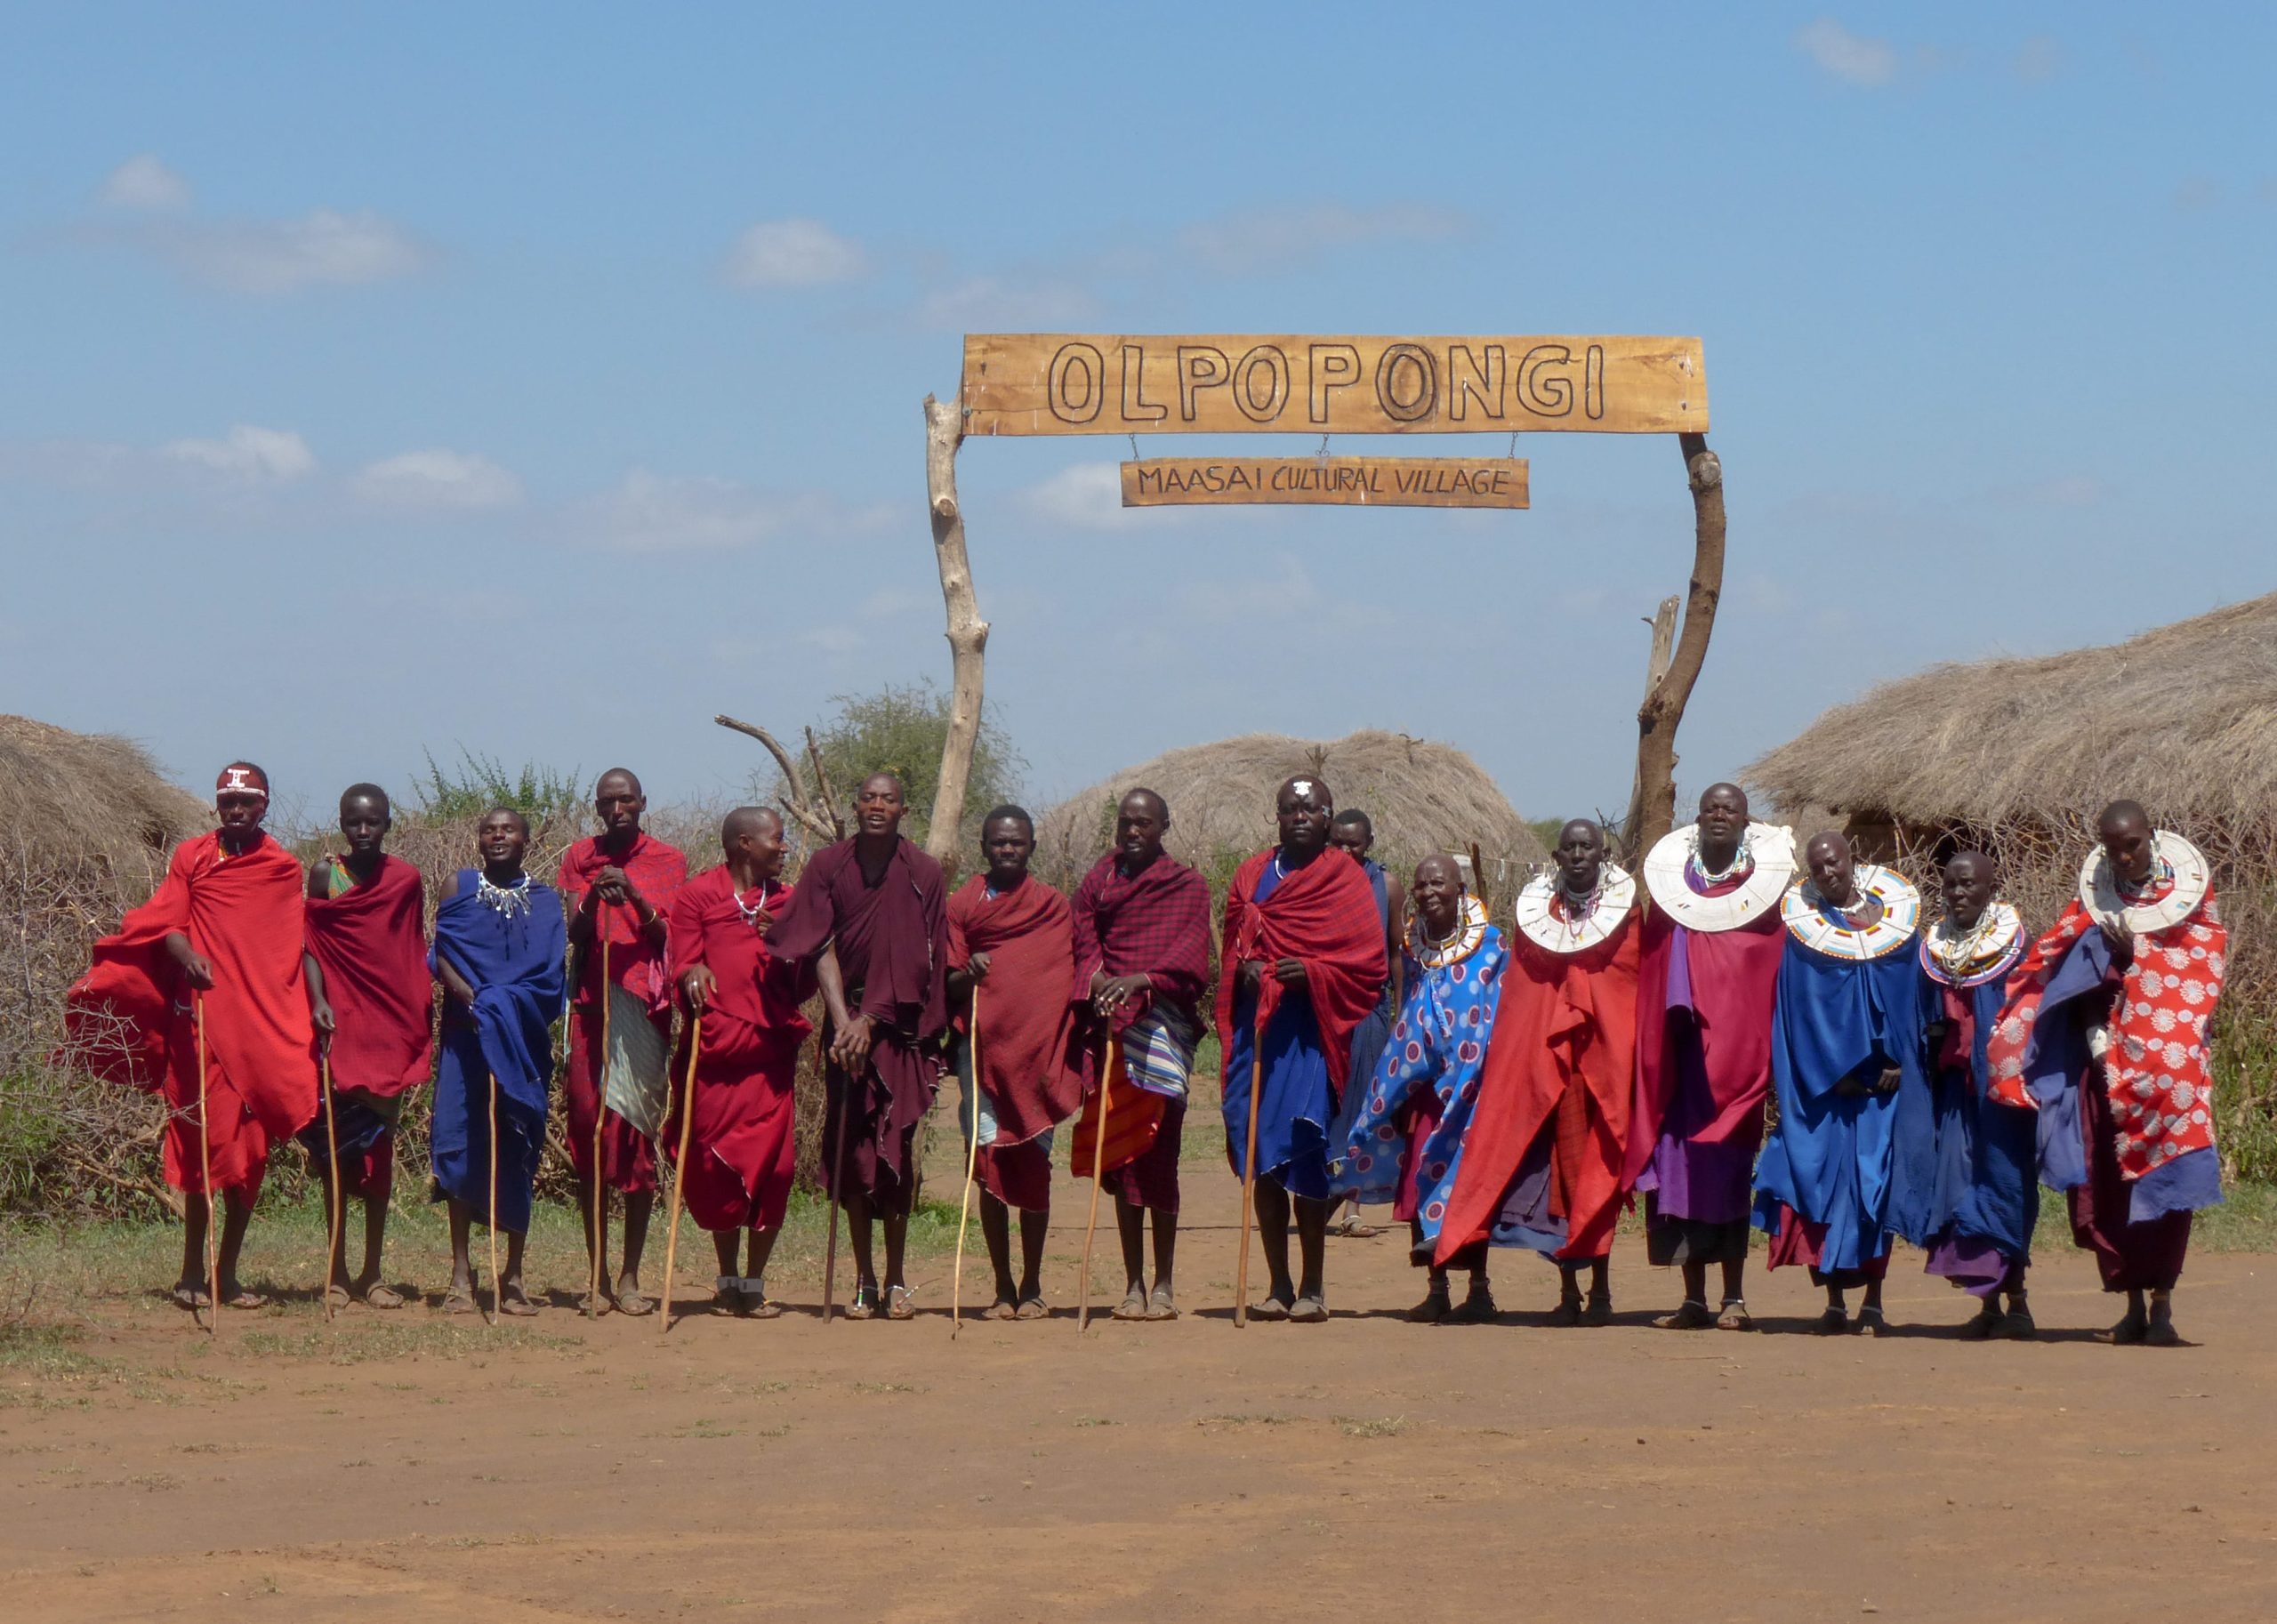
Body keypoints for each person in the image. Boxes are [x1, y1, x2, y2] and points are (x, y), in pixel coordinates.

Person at [64, 763, 323, 1312]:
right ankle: (190, 1273)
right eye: (227, 801)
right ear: (217, 806)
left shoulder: (281, 868)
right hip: (199, 1023)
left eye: (247, 801)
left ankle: (226, 1273)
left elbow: (284, 949)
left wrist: (306, 1009)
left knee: (248, 1156)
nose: (236, 810)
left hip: (255, 1029)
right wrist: (186, 956)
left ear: (264, 806)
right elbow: (167, 923)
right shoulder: (192, 857)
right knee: (200, 1145)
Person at [1988, 801, 2226, 1346]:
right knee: (2109, 1181)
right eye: (2112, 847)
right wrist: (2103, 962)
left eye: (2132, 845)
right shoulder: (2093, 904)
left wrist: (2144, 961)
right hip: (2103, 1064)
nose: (2123, 856)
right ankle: (2132, 1303)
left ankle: (2163, 1302)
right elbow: (2063, 972)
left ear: (2152, 839)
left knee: (2165, 1180)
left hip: (2170, 1070)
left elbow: (2199, 969)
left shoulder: (2192, 904)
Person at [1439, 819, 1640, 1326]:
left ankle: (1602, 1291)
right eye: (1568, 848)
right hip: (1546, 1067)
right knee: (1556, 1182)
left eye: (1586, 848)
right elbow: (1523, 997)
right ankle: (1569, 1291)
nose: (1577, 856)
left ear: (1603, 854)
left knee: (1597, 1176)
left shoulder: (1628, 917)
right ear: (1555, 857)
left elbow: (1627, 984)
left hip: (1601, 1065)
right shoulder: (1535, 923)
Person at [765, 773, 947, 1320]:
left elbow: (925, 955)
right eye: (868, 797)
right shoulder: (827, 865)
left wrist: (872, 1020)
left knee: (897, 1154)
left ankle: (895, 1280)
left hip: (900, 1030)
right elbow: (816, 941)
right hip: (846, 1029)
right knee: (853, 1152)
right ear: (854, 805)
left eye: (888, 799)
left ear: (903, 809)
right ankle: (864, 1280)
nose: (876, 805)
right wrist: (845, 1021)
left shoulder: (924, 872)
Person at [1219, 776, 1388, 1322]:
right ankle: (1277, 1284)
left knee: (1304, 1147)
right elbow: (1233, 944)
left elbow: (1368, 964)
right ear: (1277, 816)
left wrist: (1311, 972)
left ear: (1327, 816)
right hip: (1259, 1034)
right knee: (1262, 1156)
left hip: (1314, 1036)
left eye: (1309, 809)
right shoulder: (1252, 874)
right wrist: (1244, 967)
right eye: (1288, 809)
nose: (1299, 816)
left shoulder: (1345, 878)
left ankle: (1313, 1286)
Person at [1629, 783, 1797, 1331]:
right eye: (1710, 809)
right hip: (1680, 1065)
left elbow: (1768, 965)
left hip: (1739, 1064)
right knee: (1679, 1177)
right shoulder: (1671, 893)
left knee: (1728, 1177)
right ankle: (1693, 1299)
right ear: (1696, 820)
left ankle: (1735, 1299)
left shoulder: (1765, 898)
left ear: (1747, 821)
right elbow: (1652, 970)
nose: (1719, 815)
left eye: (1731, 809)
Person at [1751, 832, 1926, 1336]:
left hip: (1885, 1091)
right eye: (1818, 867)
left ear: (1853, 860)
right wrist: (1835, 1072)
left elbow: (1911, 1000)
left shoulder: (1901, 930)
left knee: (1877, 1189)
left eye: (1835, 862)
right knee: (1819, 1188)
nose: (1829, 873)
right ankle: (1832, 1302)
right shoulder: (1805, 939)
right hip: (1829, 1091)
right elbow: (1800, 1013)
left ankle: (1873, 1301)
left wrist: (1901, 1061)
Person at [1335, 855, 1506, 1322]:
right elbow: (1409, 1015)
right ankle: (1436, 1288)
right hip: (1422, 1088)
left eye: (1438, 883)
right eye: (1420, 885)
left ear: (1460, 887)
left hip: (1475, 1091)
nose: (1428, 892)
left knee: (1470, 1186)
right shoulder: (1411, 951)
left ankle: (1479, 1289)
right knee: (1419, 1179)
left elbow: (1498, 1016)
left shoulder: (1491, 947)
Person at [1068, 788, 1214, 1321]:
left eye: (1144, 823)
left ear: (1164, 827)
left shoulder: (1187, 885)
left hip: (1160, 1030)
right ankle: (1132, 1284)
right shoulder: (1098, 882)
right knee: (1122, 1155)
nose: (1133, 831)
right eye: (1126, 822)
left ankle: (1166, 1284)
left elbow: (1190, 954)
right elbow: (1082, 942)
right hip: (1109, 1027)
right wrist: (1099, 979)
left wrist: (1141, 979)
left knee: (1161, 1155)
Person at [667, 807, 816, 1316]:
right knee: (714, 1169)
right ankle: (727, 1278)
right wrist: (691, 974)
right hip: (713, 1058)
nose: (785, 847)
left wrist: (788, 946)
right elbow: (681, 962)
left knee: (777, 1169)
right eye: (777, 839)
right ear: (744, 844)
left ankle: (755, 1282)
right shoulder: (697, 895)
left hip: (769, 1060)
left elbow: (806, 981)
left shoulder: (791, 902)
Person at [945, 806, 1088, 1319]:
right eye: (999, 842)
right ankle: (1002, 1286)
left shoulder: (1052, 905)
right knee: (987, 1165)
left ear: (1032, 847)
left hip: (1037, 1057)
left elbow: (1063, 974)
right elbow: (948, 982)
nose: (1008, 849)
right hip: (980, 1056)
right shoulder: (963, 903)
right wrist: (970, 971)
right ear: (983, 846)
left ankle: (1032, 1283)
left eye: (1018, 842)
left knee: (1033, 1163)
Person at [1888, 850, 2037, 1339]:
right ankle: (1990, 1303)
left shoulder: (2015, 946)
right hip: (1956, 1093)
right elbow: (1924, 1021)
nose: (1958, 893)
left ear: (1991, 887)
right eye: (1950, 884)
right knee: (1960, 1191)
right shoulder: (1934, 950)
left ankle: (2018, 1301)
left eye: (1968, 884)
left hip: (2002, 1093)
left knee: (2006, 1187)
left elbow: (2034, 1015)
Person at [558, 768, 688, 1314]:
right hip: (592, 1008)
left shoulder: (668, 861)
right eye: (608, 802)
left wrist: (632, 895)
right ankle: (597, 1274)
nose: (618, 810)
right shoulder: (577, 858)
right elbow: (574, 932)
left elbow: (670, 936)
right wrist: (593, 898)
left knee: (635, 1139)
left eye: (627, 800)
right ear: (596, 808)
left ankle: (631, 1277)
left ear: (642, 802)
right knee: (590, 1132)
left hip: (643, 1010)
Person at [301, 784, 433, 1310]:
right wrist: (316, 1001)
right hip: (337, 1027)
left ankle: (373, 1273)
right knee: (334, 1154)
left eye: (372, 822)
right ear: (340, 823)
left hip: (387, 1031)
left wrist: (414, 1016)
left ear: (387, 825)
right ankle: (335, 1271)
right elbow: (310, 944)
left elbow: (409, 950)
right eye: (353, 822)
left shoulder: (405, 880)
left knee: (379, 1155)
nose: (362, 832)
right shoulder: (323, 876)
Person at [430, 808, 567, 1315]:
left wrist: (503, 1008)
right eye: (489, 829)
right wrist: (472, 998)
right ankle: (461, 1276)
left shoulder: (546, 900)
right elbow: (442, 952)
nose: (498, 836)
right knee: (460, 1144)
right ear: (479, 839)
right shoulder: (457, 886)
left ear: (527, 840)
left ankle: (513, 1277)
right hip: (466, 1039)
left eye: (508, 829)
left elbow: (551, 977)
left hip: (520, 1043)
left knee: (518, 1144)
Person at [1326, 808, 1402, 1240]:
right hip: (1325, 1009)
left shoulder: (1385, 885)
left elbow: (1395, 953)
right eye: (1336, 841)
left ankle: (1351, 1206)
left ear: (1369, 843)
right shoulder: (1317, 884)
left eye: (1353, 843)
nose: (1344, 850)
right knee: (1327, 1105)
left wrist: (1397, 1016)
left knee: (1363, 1108)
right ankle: (1319, 1195)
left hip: (1370, 1009)